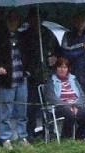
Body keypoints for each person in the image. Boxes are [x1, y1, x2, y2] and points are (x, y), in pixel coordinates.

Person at [0, 10, 30, 149]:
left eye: (16, 20)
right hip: (7, 79)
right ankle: (5, 138)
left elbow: (27, 54)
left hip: (21, 78)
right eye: (11, 20)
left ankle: (22, 137)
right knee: (6, 111)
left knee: (22, 110)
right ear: (7, 21)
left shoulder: (22, 37)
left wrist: (27, 69)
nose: (13, 22)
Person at [22, 11, 59, 142]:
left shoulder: (48, 34)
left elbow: (57, 52)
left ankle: (49, 131)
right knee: (31, 107)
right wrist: (26, 70)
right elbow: (22, 56)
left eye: (37, 18)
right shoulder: (24, 36)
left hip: (47, 75)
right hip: (31, 76)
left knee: (49, 105)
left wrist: (55, 58)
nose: (35, 21)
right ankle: (29, 133)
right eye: (32, 18)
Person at [44, 57, 85, 140]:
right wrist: (69, 106)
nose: (62, 70)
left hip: (76, 106)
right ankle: (66, 139)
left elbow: (81, 95)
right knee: (69, 114)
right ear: (56, 68)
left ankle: (80, 139)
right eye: (60, 67)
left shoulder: (73, 79)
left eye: (65, 67)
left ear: (68, 69)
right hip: (59, 107)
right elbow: (51, 98)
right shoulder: (51, 80)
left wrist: (76, 106)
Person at [59, 14, 85, 105]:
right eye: (78, 21)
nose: (80, 23)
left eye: (83, 21)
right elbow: (66, 54)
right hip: (73, 75)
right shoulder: (67, 36)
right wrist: (83, 49)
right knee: (74, 103)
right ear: (74, 22)